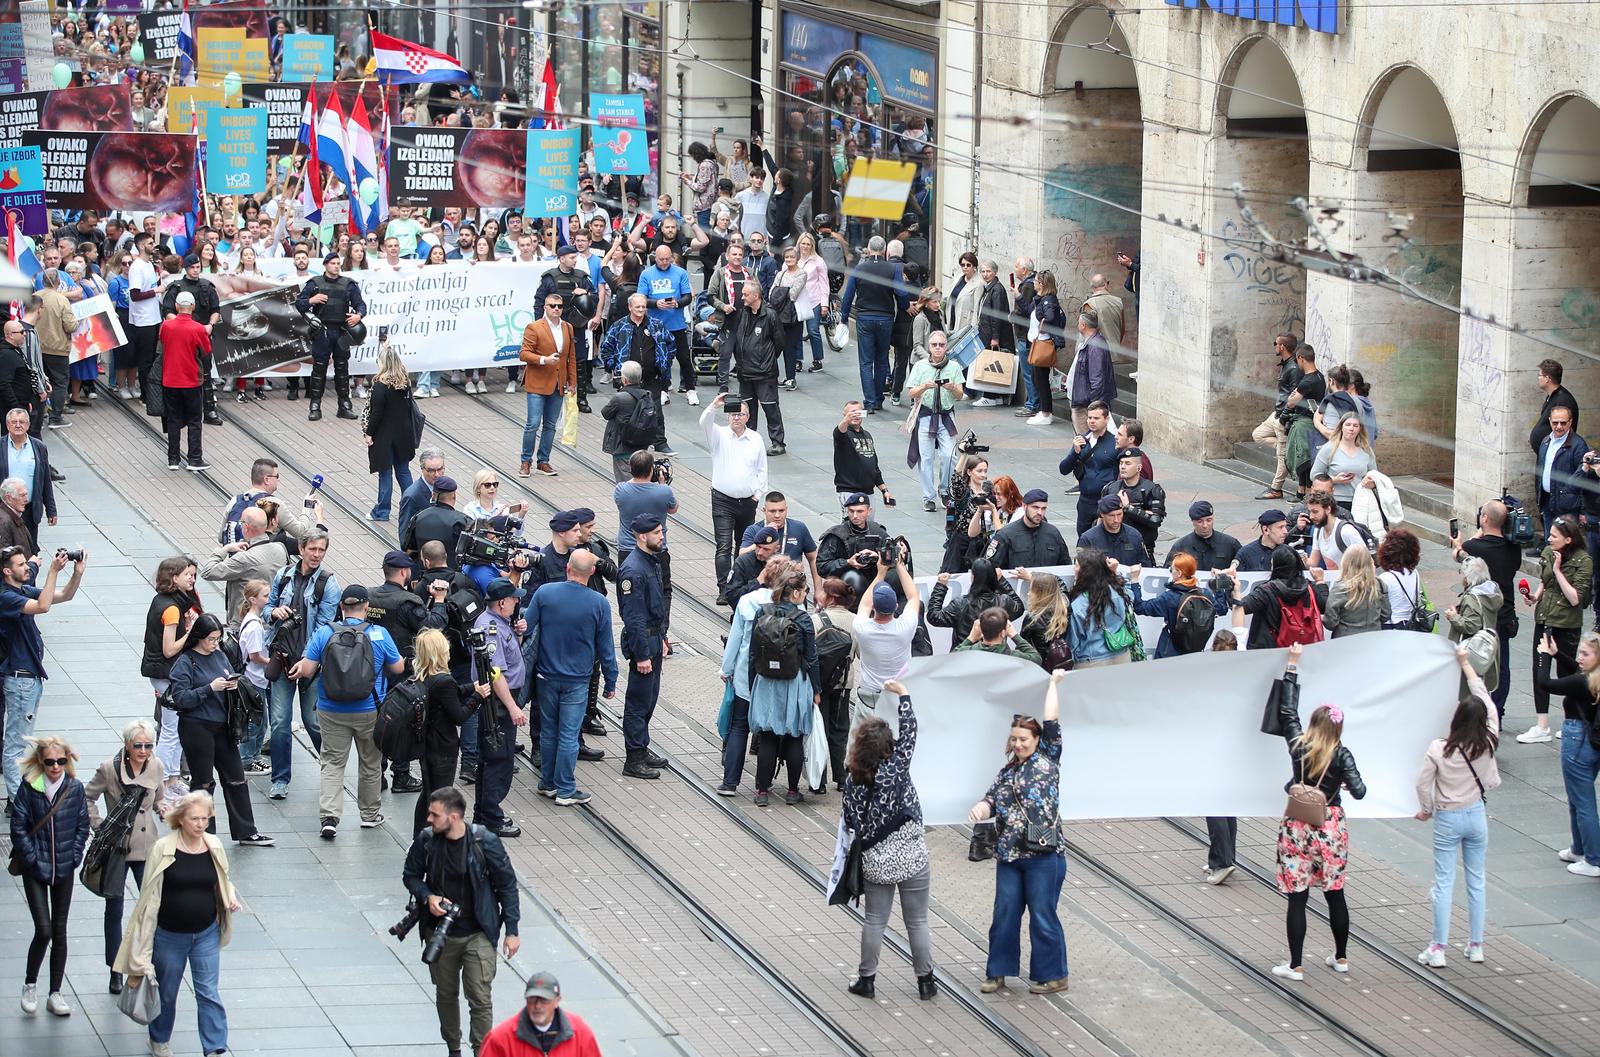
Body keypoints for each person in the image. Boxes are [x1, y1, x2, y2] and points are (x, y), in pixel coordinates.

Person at [113, 791, 241, 1057]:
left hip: (206, 933)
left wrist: (230, 897)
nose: (200, 824)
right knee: (167, 992)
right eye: (195, 818)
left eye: (205, 818)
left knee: (208, 991)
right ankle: (159, 1039)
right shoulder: (163, 848)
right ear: (181, 819)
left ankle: (215, 1046)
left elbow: (223, 878)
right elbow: (149, 892)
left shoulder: (214, 845)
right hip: (170, 936)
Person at [402, 785, 523, 1057]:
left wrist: (512, 930)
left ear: (453, 817)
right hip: (440, 933)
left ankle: (482, 1051)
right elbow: (410, 875)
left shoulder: (485, 842)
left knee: (480, 997)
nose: (429, 819)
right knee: (445, 994)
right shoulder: (426, 840)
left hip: (478, 932)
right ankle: (454, 1049)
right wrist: (428, 896)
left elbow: (507, 885)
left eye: (434, 815)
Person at [1269, 643, 1366, 981]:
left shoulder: (1299, 746)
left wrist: (1292, 665)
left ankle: (1295, 964)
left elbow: (1287, 713)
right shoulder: (1342, 755)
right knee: (1335, 892)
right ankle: (1341, 957)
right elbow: (1360, 791)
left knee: (1297, 896)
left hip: (1297, 825)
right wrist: (1343, 783)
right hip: (1331, 827)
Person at [969, 670, 1069, 995]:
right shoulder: (1006, 772)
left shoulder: (1049, 758)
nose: (1019, 744)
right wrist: (981, 809)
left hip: (1044, 855)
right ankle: (997, 971)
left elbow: (1051, 719)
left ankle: (1053, 975)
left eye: (1024, 739)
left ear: (1037, 740)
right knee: (1004, 914)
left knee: (1042, 915)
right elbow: (990, 800)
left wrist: (1053, 684)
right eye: (1015, 739)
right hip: (1010, 855)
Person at [287, 585, 404, 839]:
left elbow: (308, 670)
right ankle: (369, 815)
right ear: (367, 607)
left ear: (341, 607)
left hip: (331, 710)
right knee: (370, 762)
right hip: (370, 709)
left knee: (332, 763)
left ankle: (329, 817)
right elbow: (398, 668)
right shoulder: (379, 634)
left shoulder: (325, 632)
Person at [842, 679, 935, 1000]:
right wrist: (904, 696)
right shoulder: (896, 768)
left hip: (876, 861)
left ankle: (866, 980)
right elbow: (911, 732)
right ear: (888, 748)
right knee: (917, 921)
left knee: (874, 920)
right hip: (911, 856)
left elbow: (851, 820)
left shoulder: (852, 781)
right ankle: (926, 982)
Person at [1415, 647, 1500, 968]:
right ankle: (1476, 945)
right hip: (1476, 814)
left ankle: (1438, 948)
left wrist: (1426, 809)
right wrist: (1466, 663)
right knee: (1476, 881)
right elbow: (1486, 701)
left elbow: (1423, 784)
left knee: (1444, 883)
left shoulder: (1439, 749)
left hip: (1448, 817)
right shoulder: (1489, 741)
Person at [165, 612, 274, 847]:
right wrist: (209, 688)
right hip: (197, 727)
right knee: (203, 782)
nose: (215, 643)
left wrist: (232, 685)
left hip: (223, 726)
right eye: (211, 639)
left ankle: (246, 831)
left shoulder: (219, 656)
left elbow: (228, 674)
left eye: (218, 638)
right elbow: (181, 698)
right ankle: (203, 833)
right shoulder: (185, 662)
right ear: (199, 637)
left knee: (236, 779)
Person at [526, 553, 617, 806]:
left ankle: (548, 783)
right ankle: (565, 789)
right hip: (577, 679)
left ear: (567, 568)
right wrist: (610, 680)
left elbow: (527, 627)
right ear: (592, 572)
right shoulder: (599, 603)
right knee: (568, 734)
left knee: (548, 731)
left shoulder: (544, 593)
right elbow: (606, 647)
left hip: (546, 675)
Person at [11, 734, 91, 1018]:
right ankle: (30, 984)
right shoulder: (30, 787)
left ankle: (55, 992)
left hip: (64, 867)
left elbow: (83, 825)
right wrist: (31, 858)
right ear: (41, 762)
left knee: (60, 930)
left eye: (60, 761)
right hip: (35, 867)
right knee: (43, 930)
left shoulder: (74, 788)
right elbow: (18, 826)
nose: (56, 766)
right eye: (50, 762)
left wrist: (74, 856)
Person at [85, 719, 166, 994]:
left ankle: (146, 962)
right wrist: (99, 826)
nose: (144, 751)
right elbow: (87, 797)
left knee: (151, 908)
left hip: (147, 846)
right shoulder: (109, 769)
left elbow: (158, 799)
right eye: (138, 745)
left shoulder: (156, 766)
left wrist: (165, 810)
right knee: (114, 909)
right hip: (117, 848)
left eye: (148, 746)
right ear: (127, 745)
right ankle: (115, 969)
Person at [2, 549, 84, 804]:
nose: (27, 567)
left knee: (20, 742)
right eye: (20, 564)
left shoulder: (22, 591)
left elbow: (64, 596)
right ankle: (18, 802)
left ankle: (19, 798)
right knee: (16, 745)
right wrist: (52, 571)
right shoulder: (5, 597)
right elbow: (43, 606)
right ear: (7, 571)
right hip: (20, 679)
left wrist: (77, 574)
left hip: (29, 678)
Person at [263, 532, 339, 799]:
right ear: (301, 548)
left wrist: (308, 661)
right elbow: (267, 608)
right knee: (280, 722)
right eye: (313, 549)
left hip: (312, 664)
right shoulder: (284, 575)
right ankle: (280, 779)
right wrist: (273, 612)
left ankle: (332, 770)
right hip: (283, 657)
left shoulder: (328, 583)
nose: (317, 554)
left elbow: (324, 628)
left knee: (313, 722)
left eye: (322, 550)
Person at [739, 568, 820, 807]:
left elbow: (754, 653)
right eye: (804, 590)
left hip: (766, 682)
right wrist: (816, 689)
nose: (805, 594)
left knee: (767, 737)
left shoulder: (762, 612)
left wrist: (753, 683)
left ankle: (762, 792)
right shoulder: (803, 619)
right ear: (795, 593)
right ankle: (793, 791)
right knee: (794, 737)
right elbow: (811, 658)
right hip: (795, 682)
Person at [1519, 514, 1594, 744]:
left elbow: (1575, 598)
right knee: (1539, 670)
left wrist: (1559, 570)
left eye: (1554, 536)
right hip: (1544, 618)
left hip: (1566, 623)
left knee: (1567, 673)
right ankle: (1542, 725)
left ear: (1568, 539)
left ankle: (1572, 720)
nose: (1549, 539)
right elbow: (1545, 580)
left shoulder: (1584, 561)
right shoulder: (1548, 552)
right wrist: (1535, 596)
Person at [1533, 631, 1600, 877]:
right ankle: (1579, 849)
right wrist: (1558, 654)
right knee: (1577, 798)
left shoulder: (1582, 682)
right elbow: (1577, 672)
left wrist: (1544, 656)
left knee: (1583, 803)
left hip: (1577, 740)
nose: (1579, 657)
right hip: (1591, 742)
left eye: (1585, 654)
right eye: (1579, 652)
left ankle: (1593, 859)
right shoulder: (1592, 679)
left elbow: (1545, 683)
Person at [411, 630, 485, 834]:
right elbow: (459, 716)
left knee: (428, 794)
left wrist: (472, 687)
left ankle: (419, 837)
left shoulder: (421, 676)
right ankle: (433, 839)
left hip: (426, 744)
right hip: (443, 747)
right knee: (441, 797)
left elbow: (450, 695)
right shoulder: (444, 680)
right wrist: (478, 696)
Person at [619, 515, 669, 779]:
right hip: (643, 642)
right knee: (638, 701)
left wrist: (662, 637)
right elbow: (634, 616)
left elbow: (656, 604)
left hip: (653, 637)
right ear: (642, 536)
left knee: (650, 697)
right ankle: (634, 757)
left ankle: (642, 745)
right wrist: (641, 655)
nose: (662, 536)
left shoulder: (651, 561)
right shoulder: (633, 570)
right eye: (657, 533)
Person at [701, 393, 768, 588]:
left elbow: (762, 468)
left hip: (748, 502)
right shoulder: (718, 435)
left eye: (741, 414)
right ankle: (724, 587)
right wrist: (715, 405)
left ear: (748, 417)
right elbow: (704, 422)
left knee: (743, 545)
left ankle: (739, 584)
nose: (736, 417)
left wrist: (758, 494)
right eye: (733, 414)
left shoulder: (755, 438)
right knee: (724, 545)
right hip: (723, 499)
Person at [294, 253, 367, 422]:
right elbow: (299, 304)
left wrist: (359, 315)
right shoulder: (315, 283)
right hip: (322, 331)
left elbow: (360, 305)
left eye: (338, 263)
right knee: (319, 369)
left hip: (342, 331)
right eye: (332, 263)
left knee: (342, 370)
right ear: (325, 264)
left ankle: (345, 406)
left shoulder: (348, 284)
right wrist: (312, 300)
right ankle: (315, 406)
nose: (336, 266)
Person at [719, 281, 788, 455]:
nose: (742, 297)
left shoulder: (770, 315)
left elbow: (780, 342)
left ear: (756, 296)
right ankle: (747, 439)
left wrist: (767, 359)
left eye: (745, 294)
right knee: (747, 410)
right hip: (745, 371)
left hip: (764, 373)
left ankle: (778, 442)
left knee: (770, 408)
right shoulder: (743, 313)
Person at [850, 560, 922, 724]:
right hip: (896, 695)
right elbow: (913, 597)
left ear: (874, 607)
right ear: (896, 606)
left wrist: (880, 572)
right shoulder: (905, 628)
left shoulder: (862, 628)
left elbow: (864, 604)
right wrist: (899, 565)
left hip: (868, 697)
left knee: (860, 738)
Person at [517, 290, 578, 478]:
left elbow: (571, 357)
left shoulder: (567, 327)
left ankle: (543, 461)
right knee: (533, 423)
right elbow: (524, 354)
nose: (556, 309)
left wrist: (572, 381)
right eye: (553, 306)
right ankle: (526, 461)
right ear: (545, 307)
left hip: (558, 384)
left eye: (559, 306)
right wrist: (544, 360)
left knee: (550, 425)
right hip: (537, 382)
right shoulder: (534, 327)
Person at [903, 329, 964, 510]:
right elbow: (911, 392)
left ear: (946, 347)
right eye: (934, 345)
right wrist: (924, 386)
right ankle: (928, 497)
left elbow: (960, 395)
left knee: (949, 456)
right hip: (926, 415)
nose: (938, 348)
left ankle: (945, 491)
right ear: (929, 347)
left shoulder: (954, 367)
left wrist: (952, 387)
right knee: (926, 458)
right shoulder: (920, 366)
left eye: (941, 345)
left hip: (946, 416)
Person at [477, 970, 600, 1057]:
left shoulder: (580, 1034)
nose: (537, 1006)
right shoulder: (500, 1039)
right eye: (533, 999)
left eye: (544, 1000)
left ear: (557, 1001)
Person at [1131, 553, 1227, 657]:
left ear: (1179, 573)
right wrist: (1220, 580)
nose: (1171, 572)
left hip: (1170, 652)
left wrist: (1134, 580)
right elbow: (1222, 609)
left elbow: (1140, 607)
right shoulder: (1205, 594)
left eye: (1171, 569)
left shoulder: (1170, 598)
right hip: (1196, 651)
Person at [158, 291, 213, 471]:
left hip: (170, 379)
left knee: (173, 419)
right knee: (194, 420)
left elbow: (162, 344)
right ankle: (194, 459)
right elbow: (205, 351)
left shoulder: (166, 326)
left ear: (176, 306)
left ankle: (173, 459)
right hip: (191, 380)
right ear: (193, 306)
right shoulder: (198, 329)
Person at [364, 344, 418, 522]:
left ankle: (382, 511)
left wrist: (369, 433)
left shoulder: (380, 386)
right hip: (404, 434)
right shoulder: (404, 383)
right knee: (403, 471)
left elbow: (376, 414)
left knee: (385, 473)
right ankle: (413, 508)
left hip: (385, 437)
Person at [1251, 334, 1302, 500]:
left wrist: (1286, 415)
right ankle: (1288, 451)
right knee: (1258, 435)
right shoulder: (1286, 364)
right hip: (1277, 413)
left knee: (1281, 457)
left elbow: (1295, 395)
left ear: (1282, 347)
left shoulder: (1293, 368)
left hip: (1283, 416)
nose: (1274, 346)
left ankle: (1276, 489)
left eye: (1276, 343)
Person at [928, 560, 1024, 644]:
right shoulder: (1004, 601)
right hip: (996, 654)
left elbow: (934, 617)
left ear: (973, 577)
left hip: (965, 654)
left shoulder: (961, 604)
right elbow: (1019, 607)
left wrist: (940, 586)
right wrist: (1002, 581)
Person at [1067, 548, 1134, 668]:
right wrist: (1115, 572)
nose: (1073, 568)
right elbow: (1131, 596)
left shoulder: (1079, 605)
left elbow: (1073, 641)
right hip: (1122, 654)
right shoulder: (1118, 592)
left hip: (1091, 660)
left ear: (1085, 571)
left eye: (1076, 565)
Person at [1059, 400, 1118, 535]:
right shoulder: (1082, 441)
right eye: (1089, 417)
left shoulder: (1114, 443)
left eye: (1096, 418)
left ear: (1106, 419)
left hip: (1105, 501)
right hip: (1085, 501)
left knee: (1104, 539)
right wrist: (1075, 452)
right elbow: (1063, 469)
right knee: (1083, 538)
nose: (1091, 421)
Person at [0, 408, 56, 544]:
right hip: (4, 510)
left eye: (22, 422)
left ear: (28, 425)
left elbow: (45, 480)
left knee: (30, 548)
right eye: (14, 422)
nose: (18, 425)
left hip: (30, 509)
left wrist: (51, 510)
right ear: (7, 425)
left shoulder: (39, 447)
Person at [1100, 447, 1165, 561]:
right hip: (1113, 546)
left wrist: (1128, 508)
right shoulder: (1111, 488)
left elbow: (1155, 520)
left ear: (1139, 468)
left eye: (1128, 463)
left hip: (1141, 548)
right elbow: (1101, 516)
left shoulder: (1152, 489)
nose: (1123, 466)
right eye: (1121, 463)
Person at [1536, 405, 1587, 539]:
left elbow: (1584, 480)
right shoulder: (1546, 441)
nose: (1559, 426)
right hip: (1547, 501)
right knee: (1550, 541)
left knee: (1566, 543)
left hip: (1568, 506)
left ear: (1570, 422)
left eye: (1563, 423)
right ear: (1549, 421)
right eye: (1555, 423)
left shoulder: (1578, 445)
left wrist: (1583, 510)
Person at [988, 489, 1072, 570]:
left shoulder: (1053, 533)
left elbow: (1066, 566)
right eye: (1035, 507)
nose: (1039, 512)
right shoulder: (1006, 535)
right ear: (1024, 506)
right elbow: (990, 568)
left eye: (1043, 508)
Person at [1310, 413, 1377, 514]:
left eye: (1355, 426)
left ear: (1360, 429)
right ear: (1341, 427)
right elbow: (1314, 475)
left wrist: (1372, 483)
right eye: (1348, 425)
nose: (1351, 428)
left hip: (1360, 501)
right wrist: (1335, 480)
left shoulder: (1366, 451)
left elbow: (1375, 476)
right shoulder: (1329, 448)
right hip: (1334, 501)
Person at [833, 401, 894, 509]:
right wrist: (845, 420)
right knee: (852, 519)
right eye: (852, 413)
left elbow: (874, 467)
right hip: (849, 490)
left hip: (868, 492)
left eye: (859, 412)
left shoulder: (867, 435)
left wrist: (884, 490)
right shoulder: (844, 434)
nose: (856, 416)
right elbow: (838, 432)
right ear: (845, 414)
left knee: (869, 520)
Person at [1323, 545, 1390, 637]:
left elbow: (1330, 623)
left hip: (1345, 640)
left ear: (1345, 563)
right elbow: (1385, 615)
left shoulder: (1340, 589)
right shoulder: (1380, 585)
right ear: (1369, 563)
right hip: (1373, 638)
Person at [1068, 311, 1116, 432]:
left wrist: (1093, 406)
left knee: (1085, 437)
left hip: (1085, 402)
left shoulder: (1095, 346)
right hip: (1082, 399)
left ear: (1083, 325)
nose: (1078, 325)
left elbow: (1097, 378)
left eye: (1079, 322)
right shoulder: (1091, 341)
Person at [1166, 501, 1242, 572]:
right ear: (1193, 522)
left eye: (1209, 520)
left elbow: (1243, 568)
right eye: (1200, 521)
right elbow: (1168, 572)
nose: (1205, 525)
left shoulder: (1230, 544)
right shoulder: (1181, 546)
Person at [1077, 494, 1148, 569]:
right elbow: (1082, 569)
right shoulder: (1088, 539)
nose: (1116, 520)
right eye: (1111, 515)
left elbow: (1145, 565)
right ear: (1102, 514)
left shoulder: (1134, 536)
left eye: (1119, 514)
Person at [1530, 358, 1580, 456]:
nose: (1538, 378)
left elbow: (1563, 431)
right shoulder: (1552, 396)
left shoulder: (1563, 400)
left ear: (1547, 378)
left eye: (1539, 375)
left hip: (1557, 457)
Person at [955, 606, 1044, 661]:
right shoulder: (1013, 657)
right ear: (1003, 633)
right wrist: (1014, 635)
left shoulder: (967, 653)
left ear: (981, 631)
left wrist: (971, 638)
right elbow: (1036, 658)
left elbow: (952, 658)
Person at [401, 449, 448, 541]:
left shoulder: (446, 487)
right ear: (422, 469)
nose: (437, 474)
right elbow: (405, 535)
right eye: (431, 470)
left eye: (440, 469)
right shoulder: (412, 496)